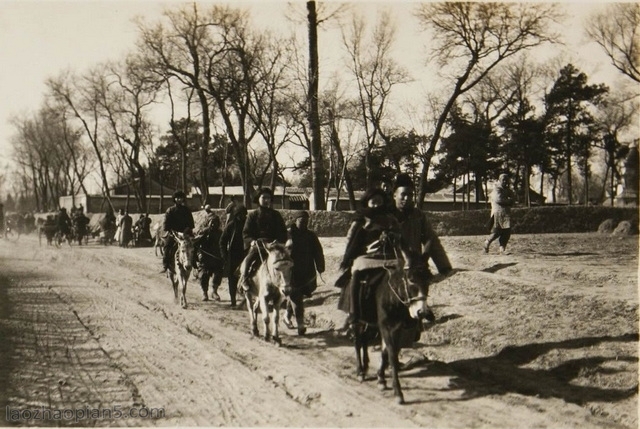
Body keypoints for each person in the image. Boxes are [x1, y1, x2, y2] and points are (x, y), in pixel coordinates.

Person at [336, 187, 401, 323]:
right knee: (356, 272)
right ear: (367, 202)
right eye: (373, 202)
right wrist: (353, 253)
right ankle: (353, 312)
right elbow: (351, 238)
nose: (377, 205)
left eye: (379, 202)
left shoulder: (390, 218)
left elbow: (399, 235)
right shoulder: (361, 218)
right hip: (365, 255)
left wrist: (390, 236)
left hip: (386, 255)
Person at [392, 173, 452, 275]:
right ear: (394, 195)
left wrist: (444, 267)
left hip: (414, 267)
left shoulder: (418, 216)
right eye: (403, 194)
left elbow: (431, 240)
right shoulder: (386, 216)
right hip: (391, 267)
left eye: (410, 195)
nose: (407, 198)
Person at [284, 211, 325, 335]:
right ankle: (300, 324)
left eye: (306, 222)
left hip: (307, 271)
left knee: (297, 295)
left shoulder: (311, 235)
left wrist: (320, 265)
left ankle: (286, 315)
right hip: (292, 271)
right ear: (295, 221)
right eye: (302, 221)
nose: (304, 224)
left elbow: (318, 251)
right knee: (296, 295)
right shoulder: (289, 234)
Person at [239, 187, 288, 292]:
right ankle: (244, 278)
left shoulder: (276, 215)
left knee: (287, 261)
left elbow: (283, 232)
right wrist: (252, 241)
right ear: (258, 199)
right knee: (248, 260)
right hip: (258, 245)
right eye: (263, 197)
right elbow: (246, 232)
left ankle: (288, 282)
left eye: (268, 198)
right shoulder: (252, 215)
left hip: (273, 245)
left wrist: (278, 241)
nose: (266, 200)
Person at [220, 205, 248, 307]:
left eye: (244, 214)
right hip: (233, 255)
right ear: (236, 215)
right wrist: (224, 255)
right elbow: (222, 241)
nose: (242, 216)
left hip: (246, 253)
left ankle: (245, 299)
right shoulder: (231, 225)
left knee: (247, 276)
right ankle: (233, 300)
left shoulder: (248, 225)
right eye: (240, 214)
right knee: (232, 279)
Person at [161, 190, 195, 274]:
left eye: (181, 198)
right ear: (174, 199)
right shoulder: (170, 210)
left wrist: (186, 230)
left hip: (185, 233)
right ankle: (165, 265)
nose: (179, 199)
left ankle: (195, 265)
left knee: (194, 247)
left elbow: (191, 223)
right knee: (167, 246)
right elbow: (166, 224)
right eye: (177, 198)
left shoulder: (187, 210)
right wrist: (173, 231)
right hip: (173, 234)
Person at [194, 215, 224, 301]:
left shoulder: (220, 233)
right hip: (205, 259)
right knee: (204, 275)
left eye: (216, 222)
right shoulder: (204, 232)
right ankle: (204, 292)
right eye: (212, 222)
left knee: (218, 274)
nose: (214, 224)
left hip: (217, 258)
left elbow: (224, 244)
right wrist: (199, 254)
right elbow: (196, 245)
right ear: (209, 223)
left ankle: (214, 291)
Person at [483, 173, 516, 255]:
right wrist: (509, 201)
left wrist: (511, 198)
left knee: (507, 232)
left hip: (505, 214)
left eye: (506, 180)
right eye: (503, 180)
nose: (505, 182)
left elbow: (514, 197)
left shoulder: (507, 190)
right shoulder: (497, 189)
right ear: (500, 180)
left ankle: (502, 249)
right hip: (497, 213)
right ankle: (487, 242)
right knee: (496, 231)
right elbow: (499, 200)